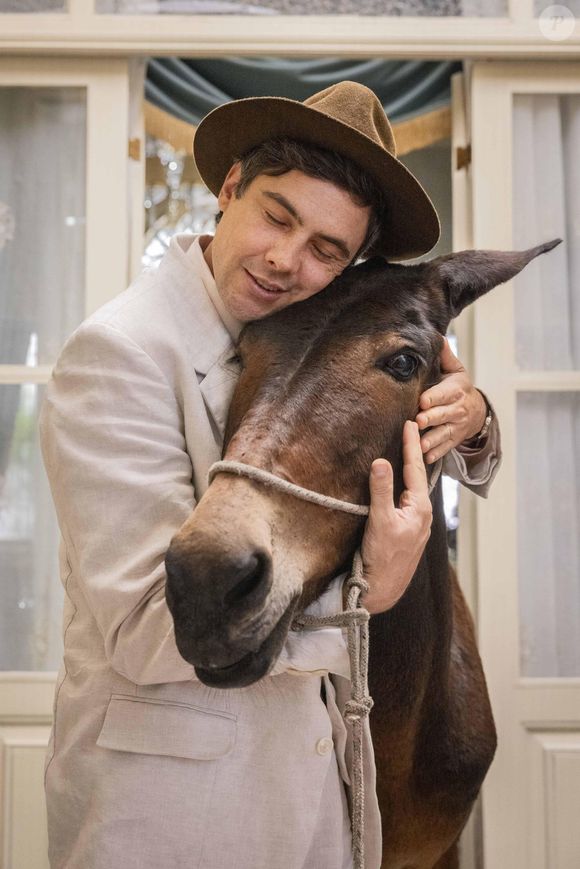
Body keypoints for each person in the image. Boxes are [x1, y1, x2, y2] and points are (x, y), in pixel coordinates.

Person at [39, 81, 500, 869]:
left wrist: (477, 415)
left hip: (311, 804)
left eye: (326, 249)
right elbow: (150, 627)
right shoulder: (118, 351)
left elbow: (374, 415)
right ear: (229, 189)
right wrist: (367, 593)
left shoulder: (298, 334)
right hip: (166, 812)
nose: (288, 260)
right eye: (277, 216)